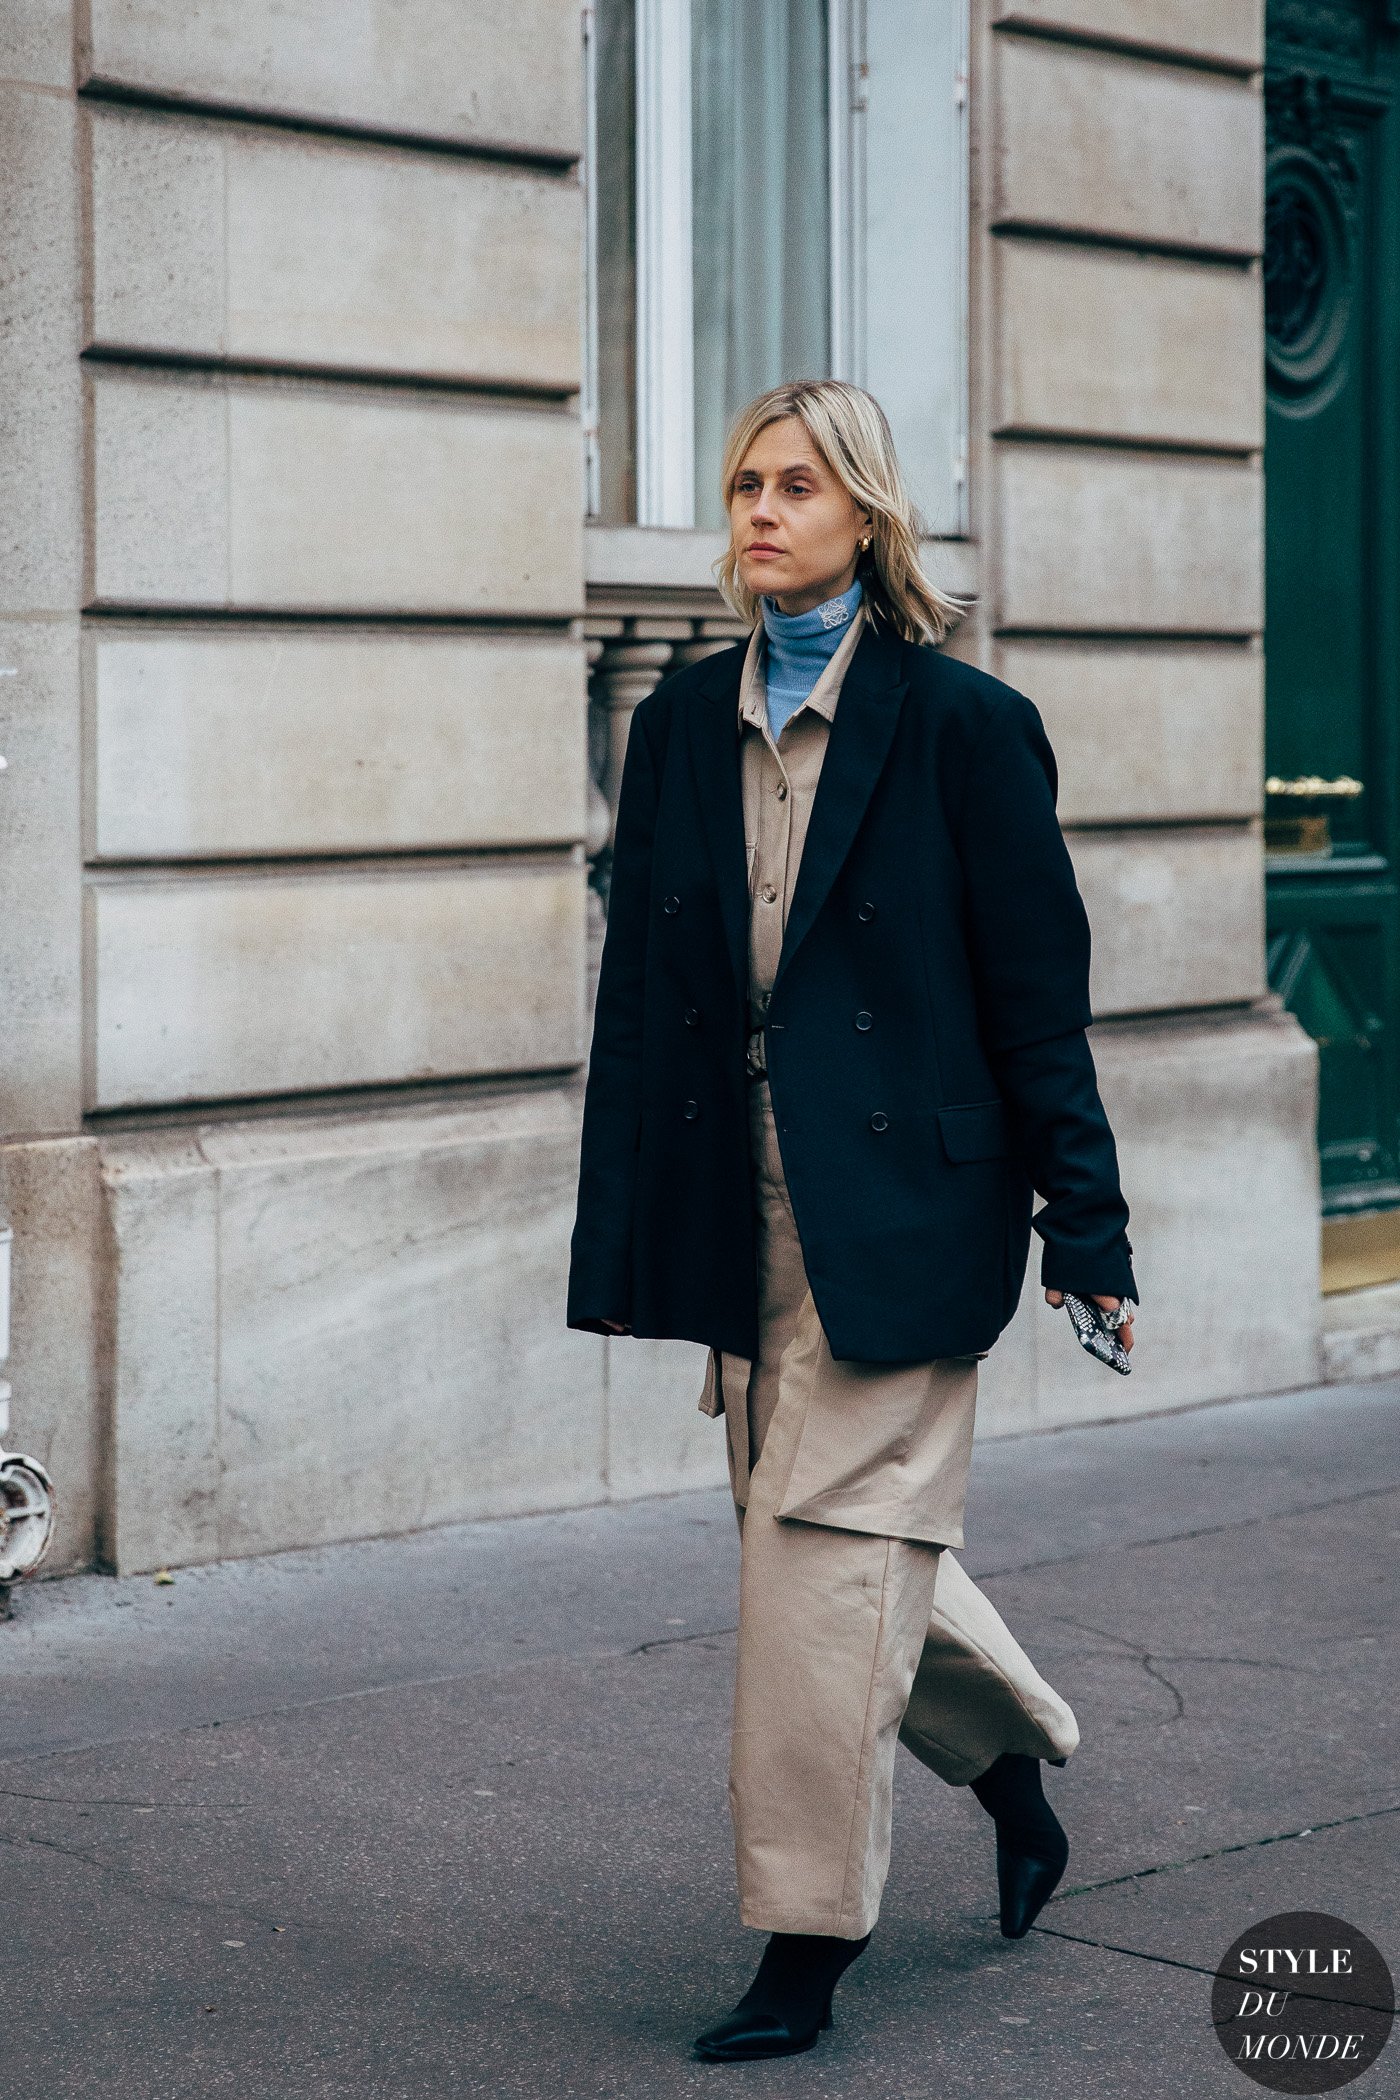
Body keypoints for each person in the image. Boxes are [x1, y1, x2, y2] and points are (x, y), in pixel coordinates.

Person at [567, 379, 1137, 2063]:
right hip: (735, 1215)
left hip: (911, 1212)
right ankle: (1018, 1776)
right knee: (831, 1550)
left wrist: (1085, 1230)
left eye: (796, 485)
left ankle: (802, 1945)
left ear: (867, 516)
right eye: (743, 484)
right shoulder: (676, 725)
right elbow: (647, 997)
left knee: (813, 1574)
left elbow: (1040, 1001)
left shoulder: (964, 727)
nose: (758, 511)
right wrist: (628, 1217)